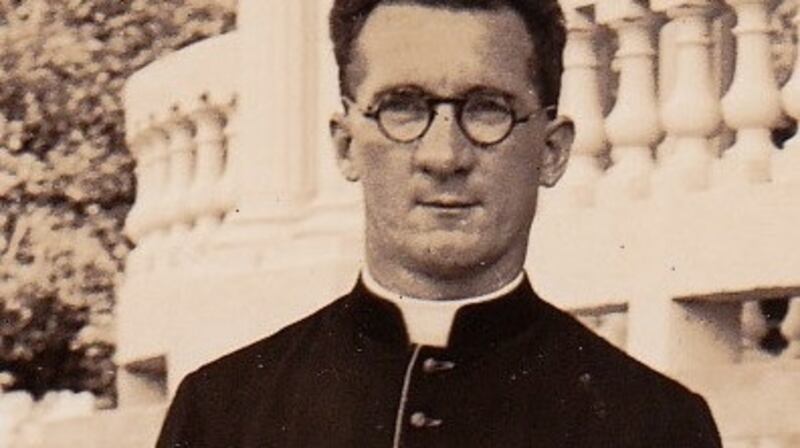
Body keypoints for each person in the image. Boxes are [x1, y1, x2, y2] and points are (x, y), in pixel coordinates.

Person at [157, 0, 723, 447]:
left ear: (551, 151)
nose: (444, 156)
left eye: (487, 109)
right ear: (346, 146)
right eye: (403, 107)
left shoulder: (655, 427)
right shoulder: (222, 415)